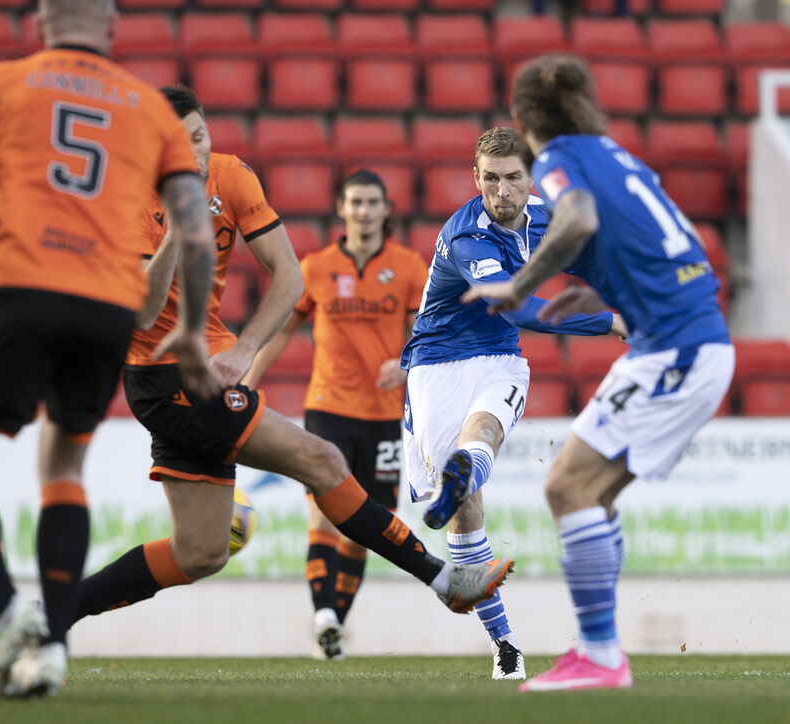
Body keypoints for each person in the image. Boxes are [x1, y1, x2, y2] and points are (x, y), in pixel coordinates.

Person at [72, 88, 514, 633]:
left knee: (201, 552)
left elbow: (289, 275)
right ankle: (445, 581)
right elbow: (139, 315)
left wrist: (244, 347)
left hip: (211, 369)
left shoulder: (231, 177)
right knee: (324, 462)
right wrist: (175, 237)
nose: (195, 153)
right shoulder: (127, 197)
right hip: (163, 373)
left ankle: (52, 614)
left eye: (199, 137)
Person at [0, 0, 218, 701]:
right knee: (64, 466)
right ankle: (56, 645)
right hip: (107, 306)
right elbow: (195, 227)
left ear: (40, 21)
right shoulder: (150, 109)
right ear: (111, 28)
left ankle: (4, 610)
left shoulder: (5, 82)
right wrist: (187, 331)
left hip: (19, 288)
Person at [462, 55, 734, 691]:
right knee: (590, 494)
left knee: (565, 488)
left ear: (524, 118)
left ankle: (601, 655)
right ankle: (597, 650)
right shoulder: (613, 153)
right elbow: (651, 237)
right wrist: (608, 290)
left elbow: (580, 218)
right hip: (679, 334)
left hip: (677, 346)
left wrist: (518, 288)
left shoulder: (559, 158)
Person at [402, 126, 625, 680]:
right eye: (492, 179)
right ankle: (505, 643)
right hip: (435, 367)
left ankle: (466, 466)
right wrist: (612, 320)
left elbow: (595, 247)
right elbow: (521, 309)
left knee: (482, 435)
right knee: (465, 510)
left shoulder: (543, 214)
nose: (503, 191)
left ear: (530, 179)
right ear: (475, 178)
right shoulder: (466, 237)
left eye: (513, 179)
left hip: (498, 361)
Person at [242, 170, 427, 660]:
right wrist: (247, 380)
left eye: (372, 203)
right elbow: (281, 330)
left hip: (386, 415)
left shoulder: (410, 268)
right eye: (355, 203)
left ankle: (332, 627)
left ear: (387, 210)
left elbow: (424, 335)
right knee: (325, 516)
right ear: (341, 210)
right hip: (328, 409)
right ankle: (324, 613)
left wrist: (404, 360)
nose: (364, 211)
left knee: (372, 524)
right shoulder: (317, 267)